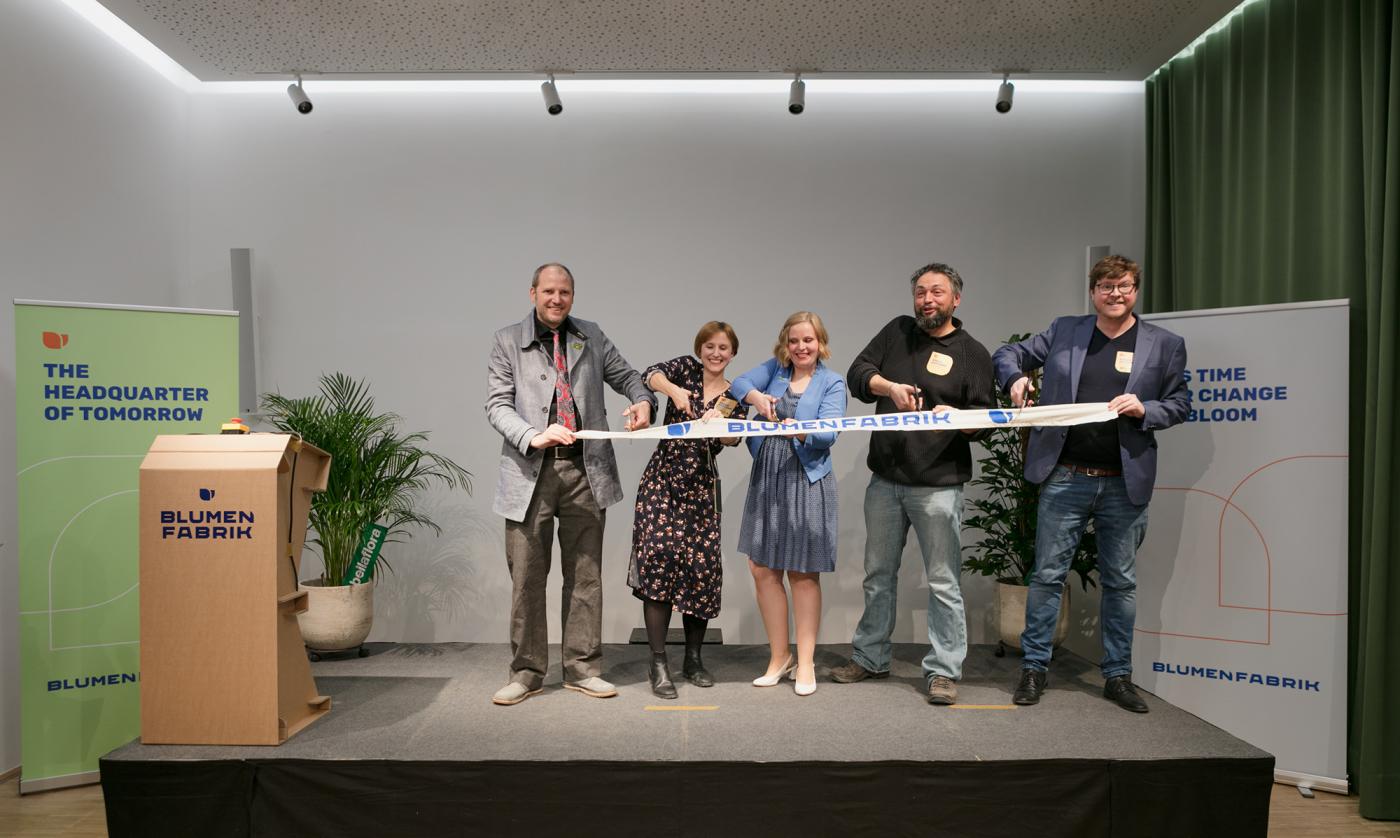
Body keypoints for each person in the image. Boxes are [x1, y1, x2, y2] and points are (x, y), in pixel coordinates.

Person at [992, 254, 1189, 713]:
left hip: (1125, 482)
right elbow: (1009, 353)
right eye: (1105, 286)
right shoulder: (1066, 330)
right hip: (1065, 476)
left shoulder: (1165, 344)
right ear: (1093, 292)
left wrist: (1147, 410)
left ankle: (1118, 676)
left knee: (1120, 583)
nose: (1114, 293)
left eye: (1123, 286)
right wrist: (1016, 378)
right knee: (1046, 576)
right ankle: (1034, 668)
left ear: (1135, 290)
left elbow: (1179, 403)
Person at [484, 262, 654, 706]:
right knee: (526, 580)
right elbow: (497, 405)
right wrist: (531, 435)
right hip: (529, 473)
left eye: (564, 292)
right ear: (533, 293)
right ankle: (526, 673)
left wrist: (642, 401)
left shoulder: (592, 335)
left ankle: (582, 668)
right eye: (548, 292)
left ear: (572, 296)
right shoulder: (506, 340)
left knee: (585, 577)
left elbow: (630, 377)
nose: (556, 299)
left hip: (586, 472)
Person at [829, 263, 995, 705]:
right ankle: (870, 658)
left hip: (939, 485)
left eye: (937, 292)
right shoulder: (897, 332)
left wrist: (959, 420)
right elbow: (857, 374)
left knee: (943, 582)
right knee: (878, 575)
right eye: (921, 292)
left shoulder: (973, 353)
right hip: (885, 481)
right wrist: (889, 386)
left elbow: (985, 422)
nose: (927, 300)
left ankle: (943, 671)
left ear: (956, 299)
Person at [628, 322, 748, 699]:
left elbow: (735, 438)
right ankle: (658, 661)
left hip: (702, 487)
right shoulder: (683, 370)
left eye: (723, 348)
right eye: (710, 346)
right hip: (663, 481)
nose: (716, 353)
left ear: (732, 354)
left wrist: (722, 423)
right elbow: (650, 375)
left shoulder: (735, 393)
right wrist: (673, 391)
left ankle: (693, 659)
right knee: (659, 565)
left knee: (700, 571)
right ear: (700, 349)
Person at [732, 311, 847, 697]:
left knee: (802, 571)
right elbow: (739, 383)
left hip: (806, 479)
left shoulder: (832, 382)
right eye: (794, 340)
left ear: (821, 343)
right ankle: (779, 658)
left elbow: (829, 433)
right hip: (769, 475)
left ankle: (807, 661)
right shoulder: (776, 370)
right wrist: (754, 397)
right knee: (762, 567)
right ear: (786, 343)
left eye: (808, 340)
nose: (801, 347)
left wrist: (800, 431)